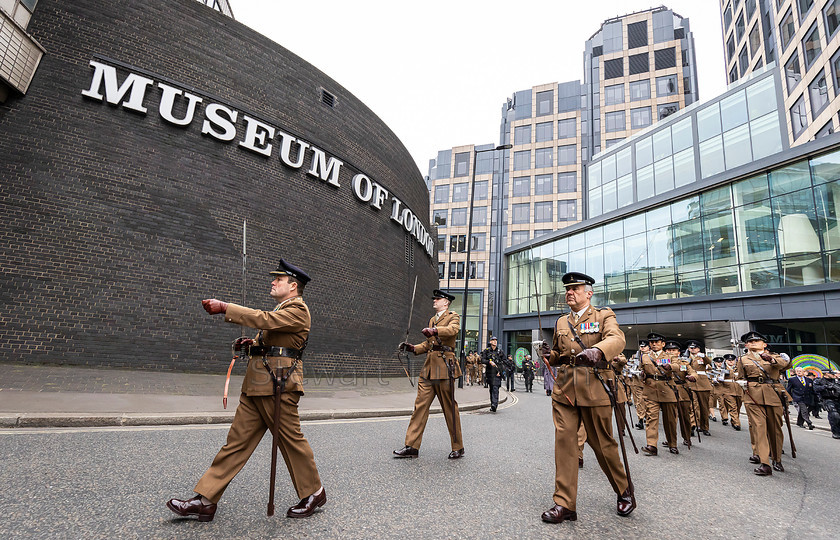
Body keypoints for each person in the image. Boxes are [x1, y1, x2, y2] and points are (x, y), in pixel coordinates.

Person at [167, 258, 324, 522]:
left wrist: (226, 308)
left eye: (279, 280)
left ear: (293, 286)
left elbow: (265, 320)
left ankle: (315, 492)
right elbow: (272, 340)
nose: (273, 282)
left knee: (291, 441)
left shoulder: (298, 309)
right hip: (258, 385)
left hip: (279, 386)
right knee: (235, 444)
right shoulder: (284, 308)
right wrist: (250, 344)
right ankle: (205, 500)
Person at [539, 272, 634, 524]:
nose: (570, 292)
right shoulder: (561, 322)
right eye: (567, 289)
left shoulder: (604, 315)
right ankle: (565, 504)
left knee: (603, 444)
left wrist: (598, 350)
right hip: (566, 391)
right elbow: (561, 354)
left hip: (595, 388)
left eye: (575, 289)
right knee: (565, 445)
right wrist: (550, 356)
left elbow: (617, 338)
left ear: (588, 293)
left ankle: (624, 490)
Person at [395, 289, 464, 459]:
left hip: (444, 368)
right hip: (428, 369)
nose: (434, 301)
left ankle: (458, 446)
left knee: (449, 408)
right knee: (420, 407)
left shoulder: (453, 316)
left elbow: (453, 330)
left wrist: (435, 331)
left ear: (446, 302)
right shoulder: (432, 319)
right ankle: (411, 446)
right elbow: (428, 344)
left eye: (437, 299)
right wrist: (413, 348)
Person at [736, 331, 791, 476]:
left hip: (773, 394)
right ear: (747, 344)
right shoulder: (742, 359)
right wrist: (741, 384)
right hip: (753, 396)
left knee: (775, 428)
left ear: (764, 344)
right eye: (750, 341)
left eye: (757, 341)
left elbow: (784, 365)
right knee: (759, 428)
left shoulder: (775, 356)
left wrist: (771, 360)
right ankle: (765, 463)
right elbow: (740, 377)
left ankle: (777, 459)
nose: (753, 343)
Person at [640, 332, 680, 455]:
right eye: (652, 342)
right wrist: (642, 375)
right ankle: (651, 445)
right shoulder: (644, 356)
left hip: (667, 390)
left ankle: (672, 443)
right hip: (651, 390)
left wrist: (670, 367)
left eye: (657, 342)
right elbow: (642, 370)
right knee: (651, 418)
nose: (654, 344)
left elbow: (678, 366)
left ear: (663, 344)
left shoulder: (670, 355)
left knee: (670, 420)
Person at [664, 341, 697, 448]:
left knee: (685, 417)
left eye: (673, 350)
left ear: (678, 352)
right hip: (668, 390)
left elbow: (693, 373)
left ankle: (687, 437)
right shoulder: (661, 362)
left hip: (682, 391)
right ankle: (670, 440)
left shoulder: (684, 363)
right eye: (668, 350)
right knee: (670, 418)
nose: (671, 352)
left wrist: (692, 377)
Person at [686, 340, 713, 437]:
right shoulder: (685, 358)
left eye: (695, 348)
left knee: (704, 407)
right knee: (693, 405)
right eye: (691, 348)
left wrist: (704, 356)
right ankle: (693, 425)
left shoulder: (702, 357)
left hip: (702, 384)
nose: (693, 350)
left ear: (698, 349)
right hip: (690, 383)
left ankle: (704, 427)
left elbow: (710, 363)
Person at [718, 354, 743, 431]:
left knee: (738, 407)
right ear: (725, 361)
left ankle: (733, 420)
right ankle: (737, 423)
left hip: (738, 390)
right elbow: (717, 378)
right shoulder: (722, 369)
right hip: (728, 391)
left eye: (732, 360)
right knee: (733, 407)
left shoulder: (738, 368)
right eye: (729, 360)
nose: (731, 362)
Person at [481, 336, 505, 411]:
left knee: (495, 388)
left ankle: (495, 404)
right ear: (490, 342)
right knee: (491, 388)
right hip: (489, 373)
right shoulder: (486, 351)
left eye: (496, 340)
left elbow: (504, 362)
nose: (495, 342)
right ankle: (492, 404)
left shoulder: (500, 352)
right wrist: (489, 362)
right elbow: (482, 360)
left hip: (497, 373)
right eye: (493, 340)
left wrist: (500, 372)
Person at [813, 370, 840, 439]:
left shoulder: (836, 381)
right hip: (827, 399)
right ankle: (835, 432)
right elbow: (816, 389)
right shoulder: (819, 381)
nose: (834, 375)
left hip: (838, 399)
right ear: (826, 374)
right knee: (834, 415)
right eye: (832, 374)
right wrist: (826, 387)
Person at [628, 341, 648, 430]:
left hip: (648, 383)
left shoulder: (651, 356)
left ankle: (647, 417)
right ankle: (640, 419)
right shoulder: (636, 356)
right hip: (637, 381)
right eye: (641, 346)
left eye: (644, 346)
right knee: (640, 401)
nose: (642, 348)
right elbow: (631, 366)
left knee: (648, 401)